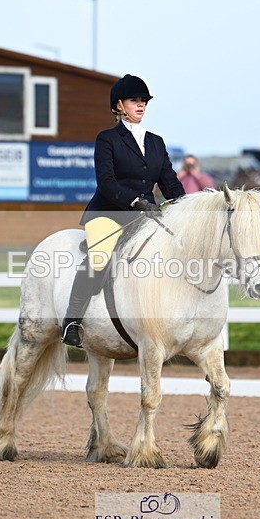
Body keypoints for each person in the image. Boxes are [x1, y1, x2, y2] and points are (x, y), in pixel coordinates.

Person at [61, 74, 186, 347]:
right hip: (108, 213)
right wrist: (135, 201)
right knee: (100, 257)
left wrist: (184, 206)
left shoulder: (156, 142)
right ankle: (72, 320)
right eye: (134, 101)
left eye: (143, 101)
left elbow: (169, 182)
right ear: (119, 105)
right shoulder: (107, 139)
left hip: (146, 216)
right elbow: (106, 183)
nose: (141, 106)